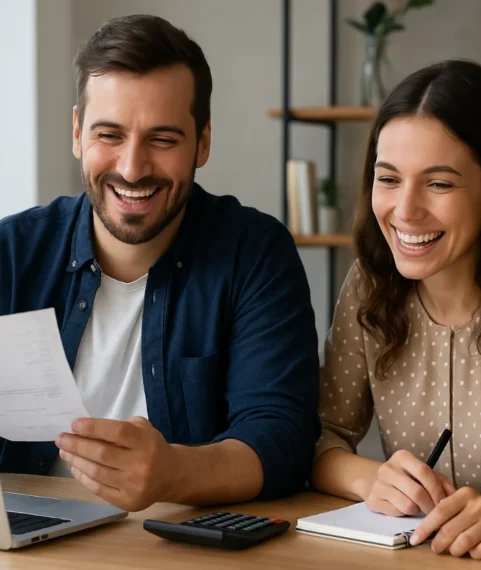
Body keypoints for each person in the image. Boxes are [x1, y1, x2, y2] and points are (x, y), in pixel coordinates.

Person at [0, 14, 320, 512]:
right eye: (109, 135)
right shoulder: (12, 252)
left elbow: (282, 436)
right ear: (77, 133)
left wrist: (174, 473)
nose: (132, 168)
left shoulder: (254, 253)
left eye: (163, 139)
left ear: (203, 141)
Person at [312, 59, 481, 560]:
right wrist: (371, 479)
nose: (405, 211)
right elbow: (320, 437)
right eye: (388, 179)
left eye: (439, 183)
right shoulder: (370, 282)